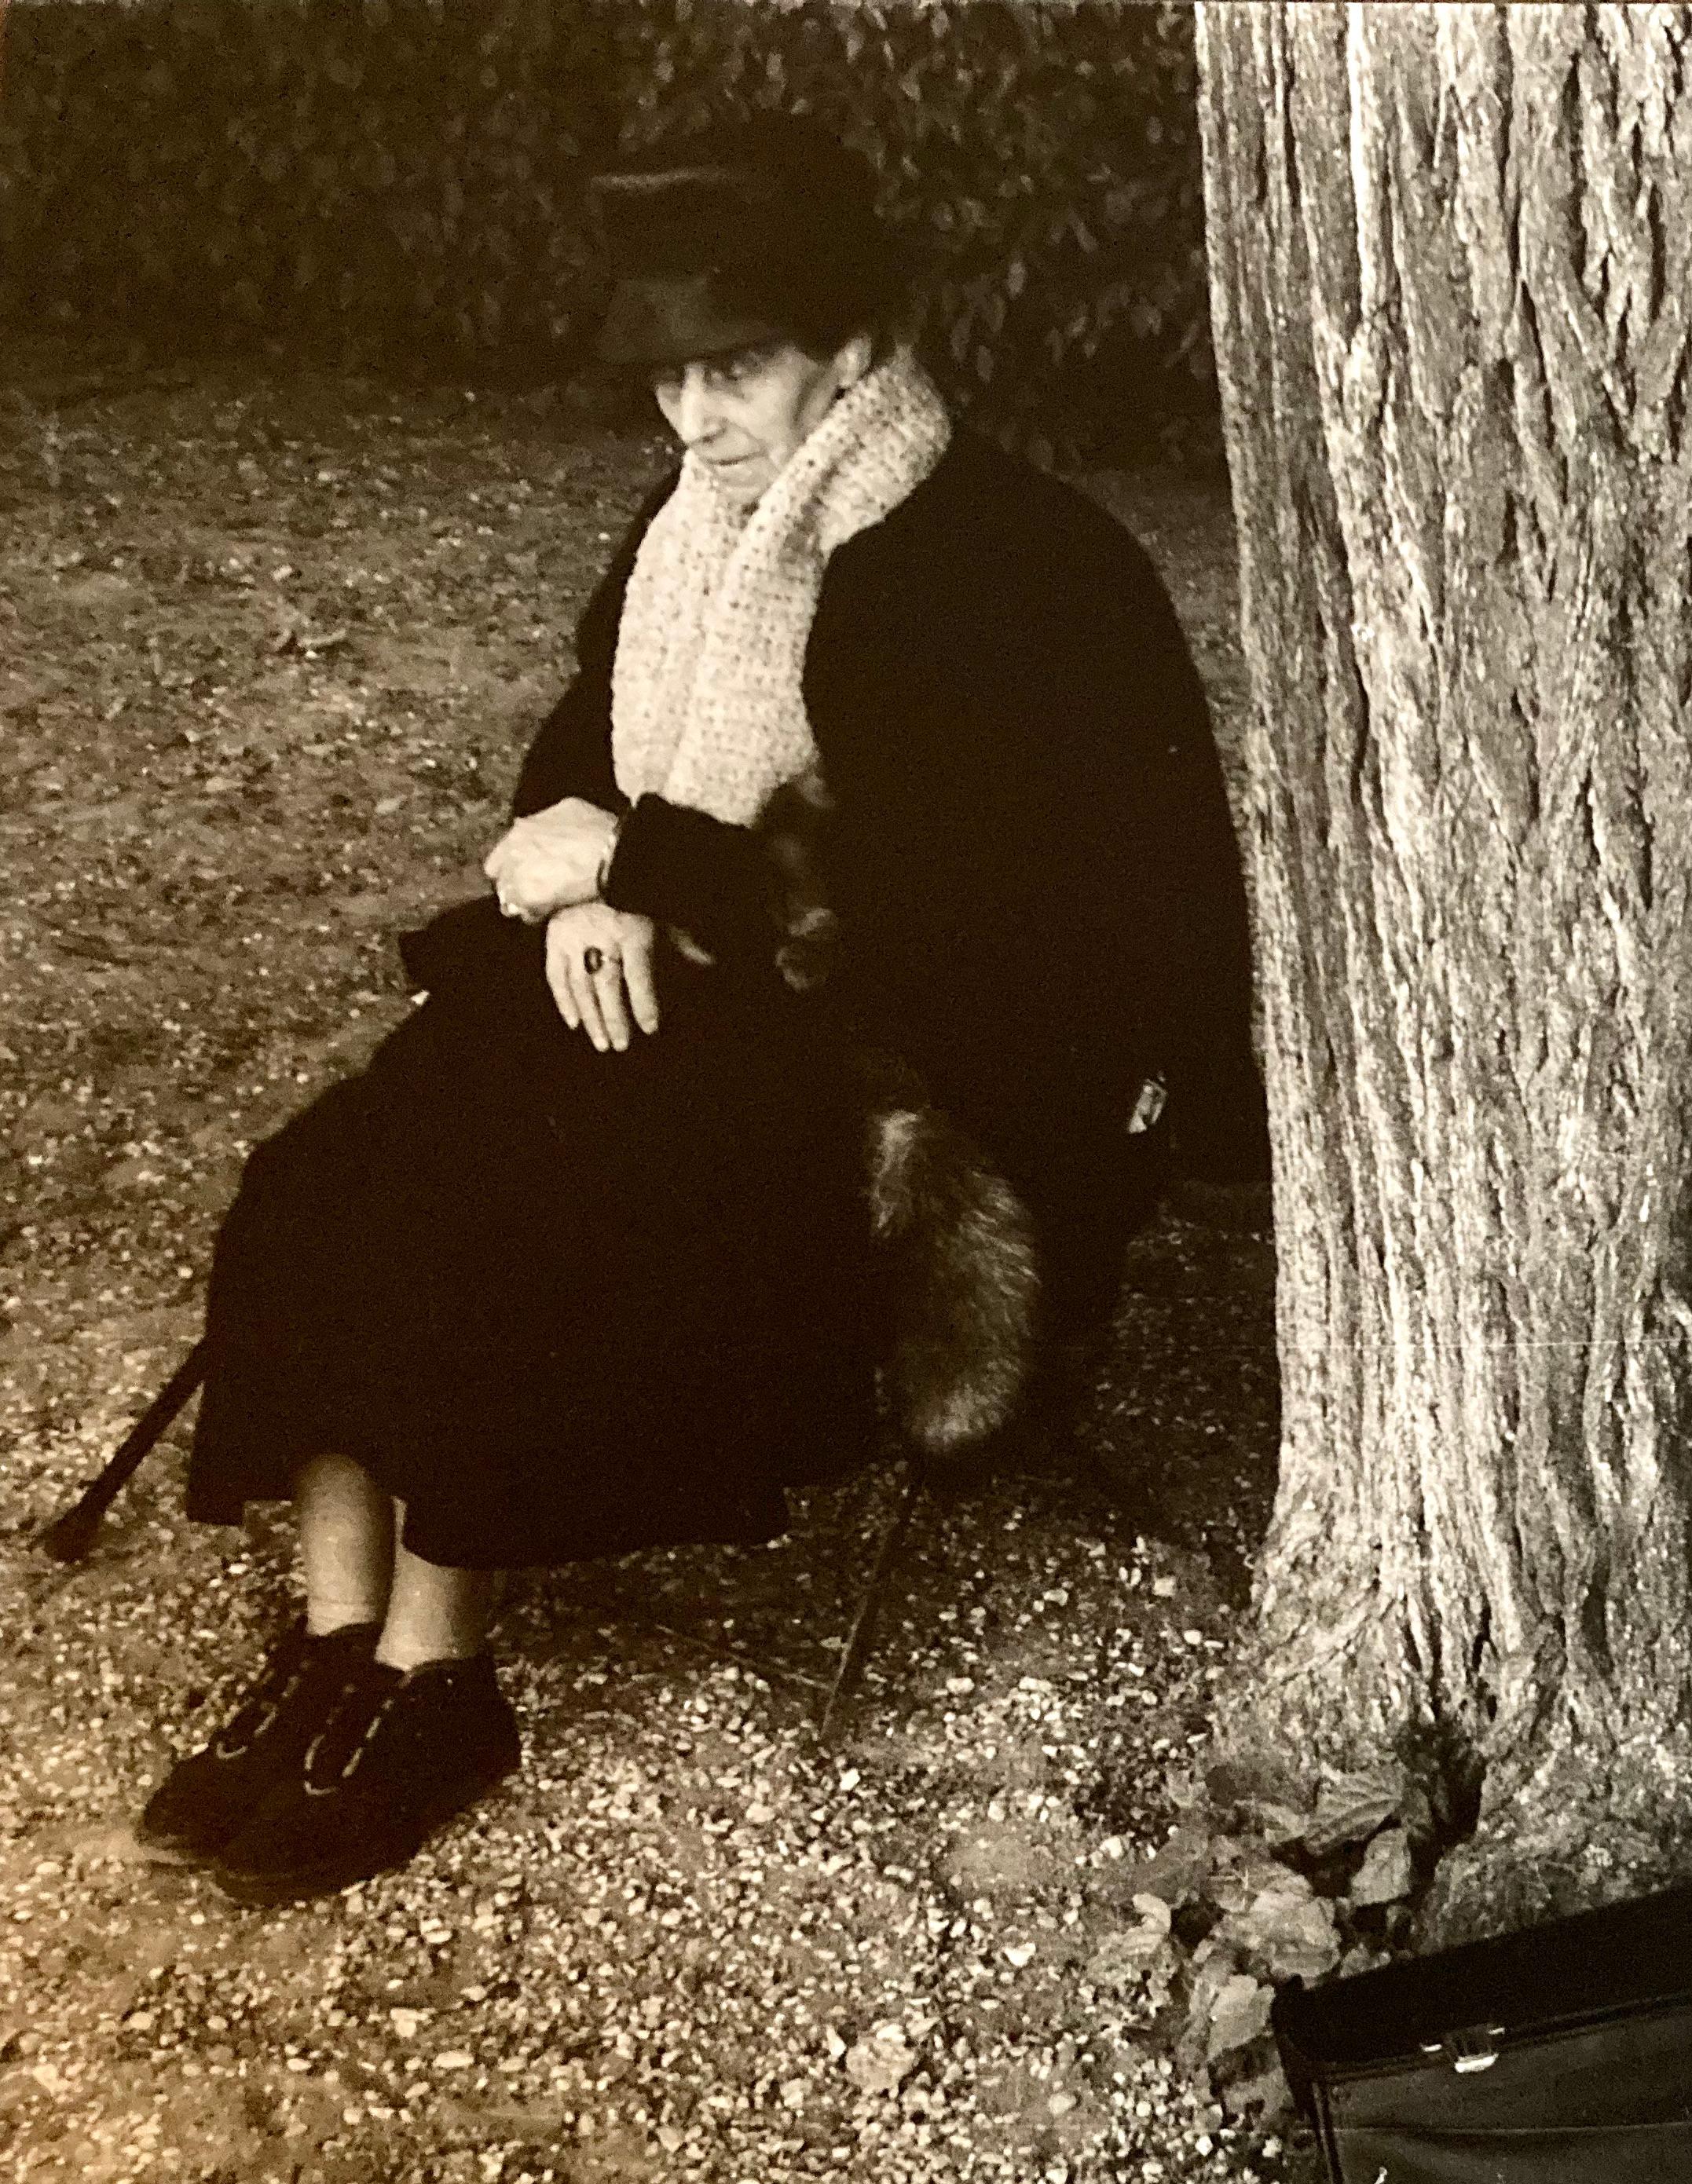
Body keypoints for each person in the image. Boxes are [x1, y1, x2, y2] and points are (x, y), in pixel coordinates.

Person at [136, 115, 1265, 1908]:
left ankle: (442, 1679)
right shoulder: (690, 544)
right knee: (334, 1169)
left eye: (735, 368)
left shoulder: (998, 563)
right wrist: (595, 889)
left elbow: (971, 925)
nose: (696, 417)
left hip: (913, 1075)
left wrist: (647, 871)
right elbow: (571, 774)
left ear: (852, 353)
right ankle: (338, 1643)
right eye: (669, 375)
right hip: (693, 992)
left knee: (508, 1206)